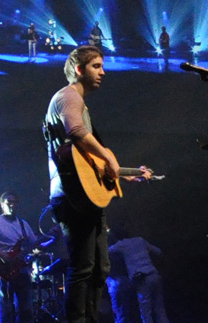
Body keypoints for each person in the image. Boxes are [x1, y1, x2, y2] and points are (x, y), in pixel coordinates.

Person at [43, 45, 152, 323]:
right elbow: (76, 132)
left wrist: (122, 173)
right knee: (83, 267)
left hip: (85, 197)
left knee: (100, 267)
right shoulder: (69, 97)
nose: (103, 72)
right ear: (79, 69)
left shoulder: (79, 102)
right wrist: (108, 155)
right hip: (70, 197)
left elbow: (86, 161)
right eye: (96, 66)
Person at [0, 192, 54, 323]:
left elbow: (35, 245)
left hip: (22, 271)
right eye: (9, 202)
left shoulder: (23, 224)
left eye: (15, 202)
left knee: (26, 311)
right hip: (3, 271)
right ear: (2, 205)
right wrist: (0, 253)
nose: (12, 205)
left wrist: (52, 238)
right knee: (4, 311)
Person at [107, 234, 169, 323]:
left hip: (142, 279)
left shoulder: (121, 244)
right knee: (160, 309)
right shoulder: (140, 240)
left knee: (146, 313)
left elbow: (108, 251)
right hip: (154, 275)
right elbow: (158, 251)